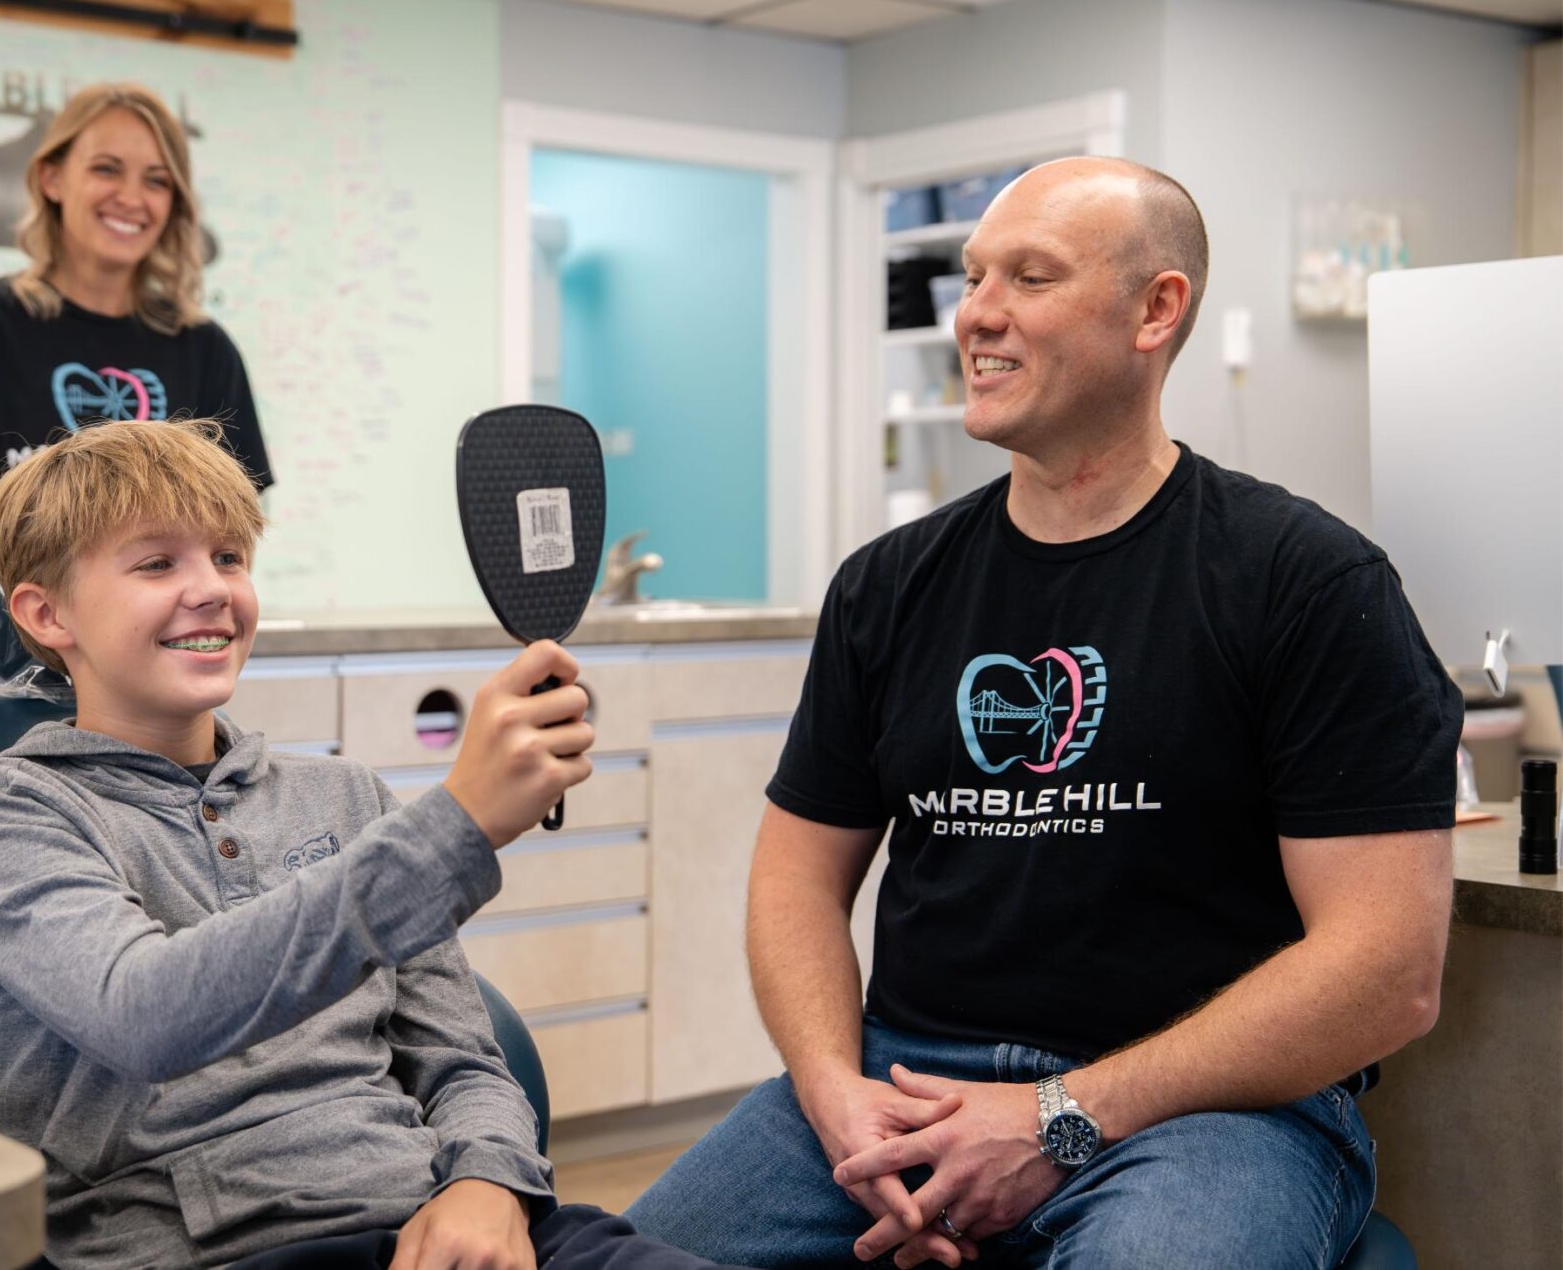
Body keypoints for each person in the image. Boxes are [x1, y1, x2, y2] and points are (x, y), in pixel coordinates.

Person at [625, 158, 1459, 1269]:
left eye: (1028, 276)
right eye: (972, 277)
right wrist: (835, 1099)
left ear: (1154, 310)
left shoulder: (1302, 580)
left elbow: (1386, 968)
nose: (976, 312)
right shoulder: (887, 585)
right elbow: (793, 877)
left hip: (1202, 1115)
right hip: (902, 1083)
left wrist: (1057, 1116)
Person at [0, 418, 748, 1270]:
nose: (212, 588)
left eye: (229, 557)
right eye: (156, 563)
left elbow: (463, 1057)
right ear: (45, 611)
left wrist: (490, 1183)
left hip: (437, 1219)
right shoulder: (10, 813)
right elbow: (146, 1014)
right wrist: (453, 828)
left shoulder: (345, 795)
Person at [0, 82, 272, 698]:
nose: (132, 197)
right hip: (3, 679)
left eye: (157, 179)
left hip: (159, 674)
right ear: (51, 180)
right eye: (106, 169)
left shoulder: (206, 350)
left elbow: (234, 534)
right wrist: (79, 579)